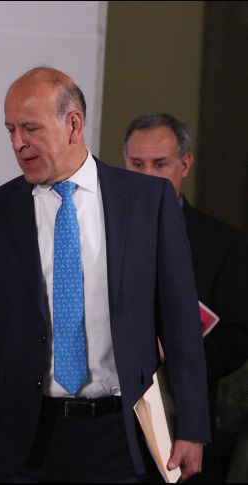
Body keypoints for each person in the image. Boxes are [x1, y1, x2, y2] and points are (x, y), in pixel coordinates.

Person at [0, 67, 210, 482]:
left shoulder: (148, 201)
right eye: (11, 130)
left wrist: (193, 427)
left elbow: (181, 321)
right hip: (25, 440)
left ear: (73, 124)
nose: (18, 143)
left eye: (31, 129)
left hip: (122, 437)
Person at [123, 113, 248, 482]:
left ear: (185, 164)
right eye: (136, 164)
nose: (147, 176)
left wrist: (173, 355)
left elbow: (239, 336)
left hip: (184, 418)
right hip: (106, 419)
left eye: (160, 164)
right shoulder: (98, 233)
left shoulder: (223, 244)